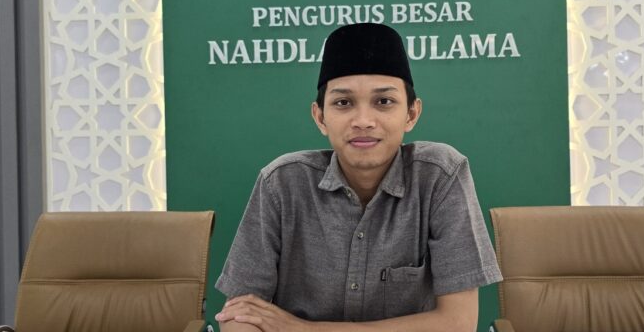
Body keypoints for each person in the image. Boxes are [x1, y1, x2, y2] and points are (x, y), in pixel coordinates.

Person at [214, 23, 502, 332]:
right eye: (343, 103)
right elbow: (238, 317)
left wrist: (304, 330)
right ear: (320, 117)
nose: (363, 121)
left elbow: (458, 323)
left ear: (411, 114)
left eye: (383, 102)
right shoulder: (281, 183)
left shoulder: (441, 176)